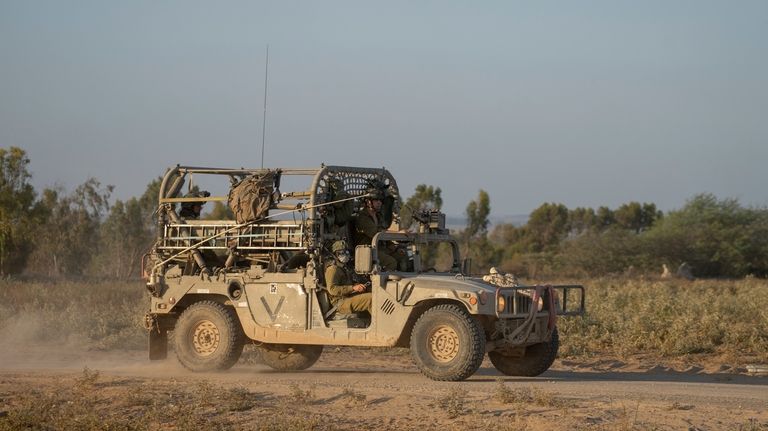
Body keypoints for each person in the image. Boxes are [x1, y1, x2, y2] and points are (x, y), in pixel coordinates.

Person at [351, 188, 400, 271]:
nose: (379, 203)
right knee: (391, 263)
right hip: (367, 252)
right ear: (368, 202)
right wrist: (398, 233)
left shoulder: (378, 216)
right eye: (376, 200)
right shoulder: (362, 218)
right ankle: (378, 282)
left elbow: (382, 230)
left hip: (379, 249)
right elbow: (376, 233)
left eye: (380, 200)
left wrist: (390, 244)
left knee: (402, 255)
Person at [324, 240, 371, 314]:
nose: (345, 255)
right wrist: (352, 288)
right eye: (341, 253)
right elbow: (332, 289)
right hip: (340, 302)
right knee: (371, 299)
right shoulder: (332, 269)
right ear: (335, 255)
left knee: (373, 292)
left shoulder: (344, 266)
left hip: (348, 296)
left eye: (346, 252)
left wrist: (355, 285)